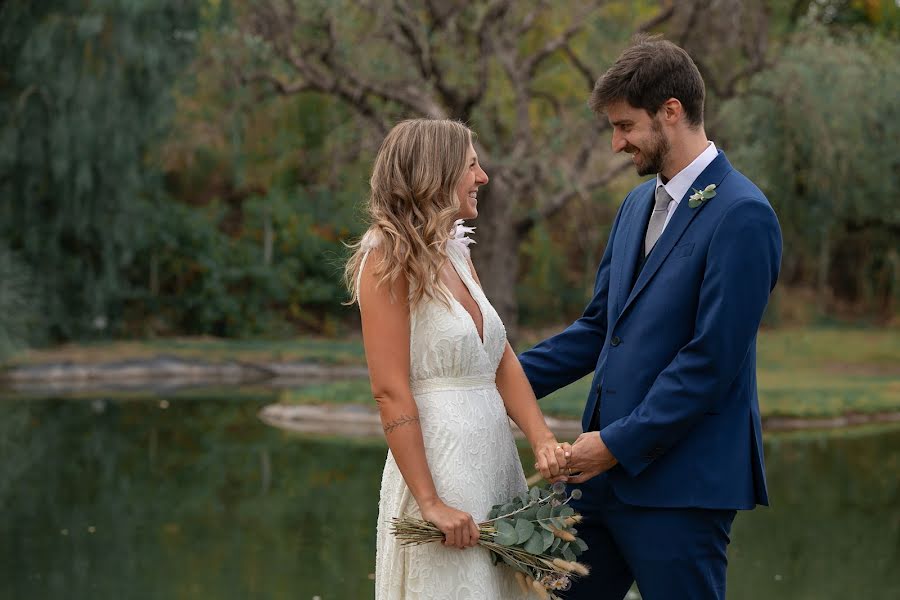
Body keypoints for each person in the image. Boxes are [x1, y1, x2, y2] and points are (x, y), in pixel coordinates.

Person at [519, 35, 783, 600]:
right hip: (597, 487)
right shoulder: (635, 206)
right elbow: (598, 330)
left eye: (626, 126)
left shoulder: (744, 215)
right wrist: (499, 381)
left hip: (683, 491)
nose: (616, 143)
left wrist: (614, 443)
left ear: (672, 111)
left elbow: (709, 362)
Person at [345, 118, 569, 599]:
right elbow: (389, 390)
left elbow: (499, 355)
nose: (483, 176)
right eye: (471, 164)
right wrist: (430, 502)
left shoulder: (457, 253)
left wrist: (542, 437)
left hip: (494, 469)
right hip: (442, 471)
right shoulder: (386, 256)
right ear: (436, 173)